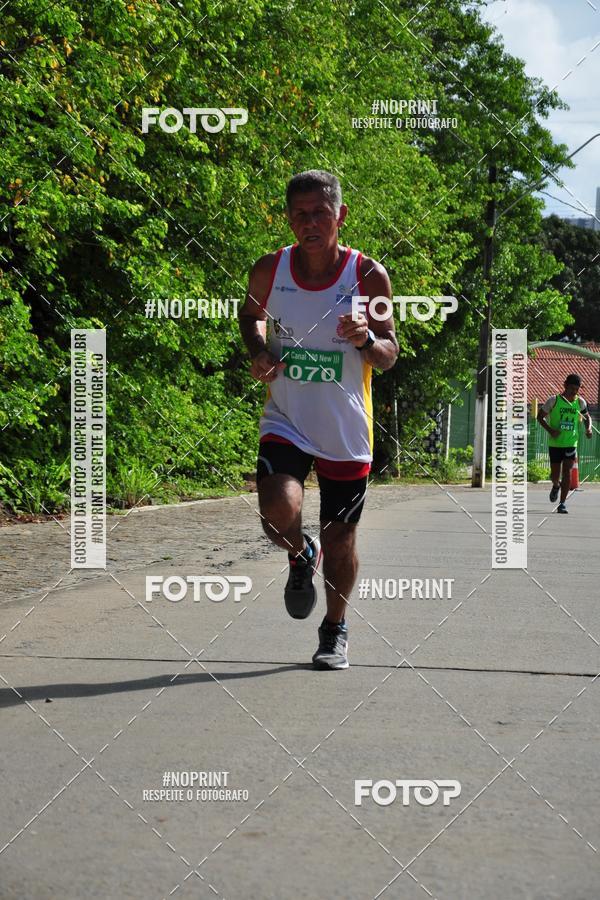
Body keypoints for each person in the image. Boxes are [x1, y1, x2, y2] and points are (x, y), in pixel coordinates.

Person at [238, 170, 398, 669]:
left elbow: (390, 353)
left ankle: (334, 629)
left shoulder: (367, 276)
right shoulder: (270, 269)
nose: (309, 223)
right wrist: (259, 349)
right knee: (276, 512)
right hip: (285, 417)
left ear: (340, 216)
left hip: (345, 429)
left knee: (340, 539)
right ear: (289, 219)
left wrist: (365, 341)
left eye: (320, 214)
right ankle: (299, 553)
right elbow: (250, 316)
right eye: (300, 215)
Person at [536, 373, 592, 514]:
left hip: (571, 443)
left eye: (577, 389)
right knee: (555, 476)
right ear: (565, 386)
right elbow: (540, 417)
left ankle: (562, 503)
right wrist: (551, 430)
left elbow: (587, 417)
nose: (574, 391)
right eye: (572, 388)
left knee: (567, 472)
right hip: (555, 444)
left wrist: (588, 428)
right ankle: (556, 486)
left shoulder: (580, 402)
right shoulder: (554, 400)